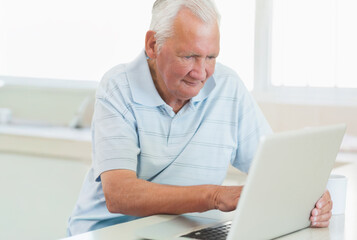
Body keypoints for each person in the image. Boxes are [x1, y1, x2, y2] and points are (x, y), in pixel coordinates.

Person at [67, 0, 332, 236]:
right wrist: (214, 196)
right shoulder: (118, 86)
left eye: (211, 57)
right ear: (153, 45)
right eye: (189, 56)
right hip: (113, 232)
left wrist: (313, 198)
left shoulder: (228, 87)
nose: (201, 73)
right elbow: (120, 195)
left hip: (187, 231)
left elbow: (278, 170)